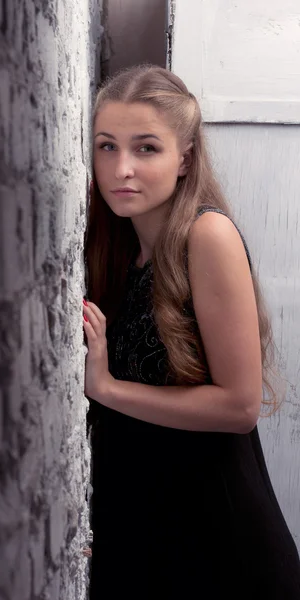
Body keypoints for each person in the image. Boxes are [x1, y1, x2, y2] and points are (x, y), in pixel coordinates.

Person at [83, 65, 300, 600]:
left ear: (184, 158)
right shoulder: (114, 246)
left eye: (146, 148)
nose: (122, 168)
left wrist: (106, 388)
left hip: (219, 544)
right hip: (144, 538)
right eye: (107, 146)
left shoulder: (207, 236)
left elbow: (240, 406)